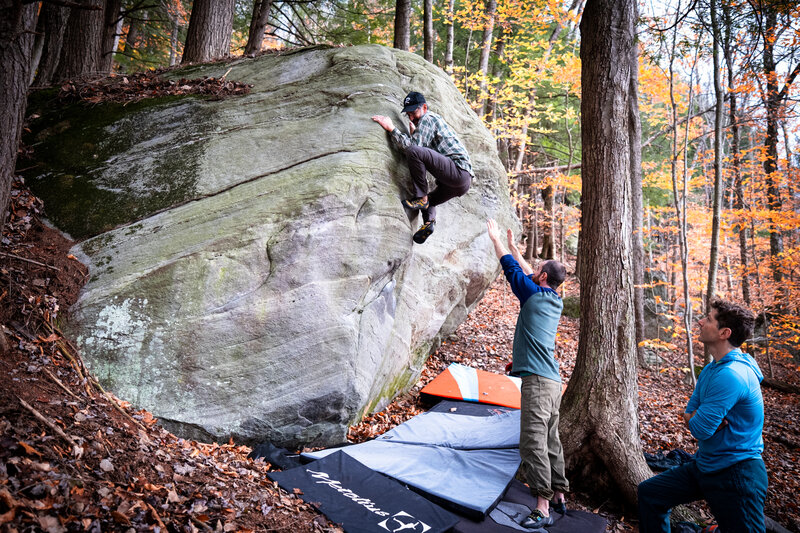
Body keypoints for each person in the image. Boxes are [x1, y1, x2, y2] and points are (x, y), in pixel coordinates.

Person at [638, 299, 766, 533]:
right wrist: (699, 419)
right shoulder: (712, 368)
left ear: (724, 333)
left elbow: (698, 428)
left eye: (708, 319)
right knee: (650, 493)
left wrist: (698, 419)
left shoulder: (733, 374)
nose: (699, 321)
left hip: (736, 473)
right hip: (706, 463)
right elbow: (690, 415)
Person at [487, 219, 568, 529]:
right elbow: (532, 274)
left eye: (538, 269)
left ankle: (542, 506)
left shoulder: (532, 296)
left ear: (543, 276)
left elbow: (512, 270)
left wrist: (498, 243)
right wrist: (515, 248)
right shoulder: (555, 300)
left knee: (532, 442)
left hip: (537, 381)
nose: (532, 270)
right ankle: (560, 493)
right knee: (551, 439)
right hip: (552, 381)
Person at [372, 91, 474, 244]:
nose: (412, 117)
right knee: (430, 202)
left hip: (458, 171)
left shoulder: (428, 118)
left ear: (424, 107)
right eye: (408, 114)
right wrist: (415, 135)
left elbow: (412, 148)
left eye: (414, 112)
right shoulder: (427, 122)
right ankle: (429, 223)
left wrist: (391, 128)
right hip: (460, 184)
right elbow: (425, 150)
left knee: (414, 153)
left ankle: (421, 198)